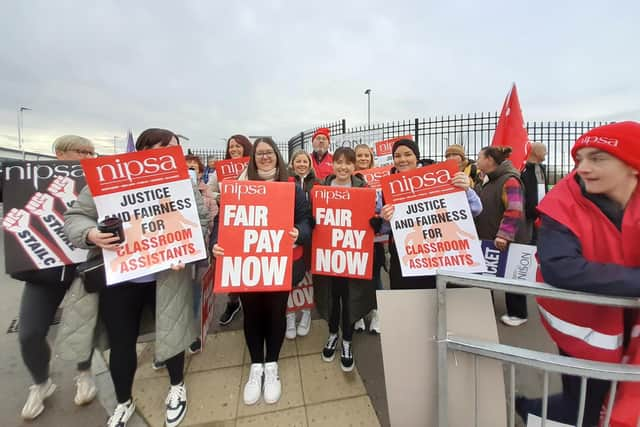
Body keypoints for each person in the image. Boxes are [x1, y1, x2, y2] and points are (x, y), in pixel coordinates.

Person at [63, 128, 210, 427]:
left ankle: (176, 387)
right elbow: (75, 217)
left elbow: (201, 222)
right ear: (145, 149)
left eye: (176, 148)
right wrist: (91, 234)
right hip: (121, 279)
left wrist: (191, 249)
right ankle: (123, 401)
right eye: (166, 147)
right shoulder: (109, 178)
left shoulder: (183, 182)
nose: (174, 153)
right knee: (121, 342)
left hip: (167, 276)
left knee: (172, 334)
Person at [516, 121, 640, 426]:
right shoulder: (562, 201)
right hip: (586, 328)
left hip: (632, 322)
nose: (583, 168)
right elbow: (560, 267)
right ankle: (535, 410)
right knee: (587, 404)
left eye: (597, 159)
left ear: (632, 166)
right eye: (579, 158)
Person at [212, 137, 312, 406]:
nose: (265, 157)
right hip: (246, 265)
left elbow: (306, 221)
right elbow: (221, 221)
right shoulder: (240, 187)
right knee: (253, 314)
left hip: (281, 264)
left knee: (276, 314)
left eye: (269, 152)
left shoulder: (291, 186)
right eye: (260, 154)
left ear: (277, 156)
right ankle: (256, 366)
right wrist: (215, 245)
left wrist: (298, 233)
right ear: (253, 158)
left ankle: (272, 366)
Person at [16, 135, 98, 420]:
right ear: (60, 153)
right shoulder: (28, 181)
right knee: (30, 333)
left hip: (82, 267)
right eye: (82, 152)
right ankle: (41, 382)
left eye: (92, 152)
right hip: (43, 271)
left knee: (81, 325)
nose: (89, 156)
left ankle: (84, 372)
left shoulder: (97, 181)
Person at [380, 139, 483, 289]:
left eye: (408, 154)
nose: (402, 159)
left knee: (440, 303)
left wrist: (466, 190)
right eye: (397, 156)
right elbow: (384, 229)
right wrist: (386, 219)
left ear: (417, 157)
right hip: (407, 258)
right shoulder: (387, 188)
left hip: (441, 254)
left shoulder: (441, 177)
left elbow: (476, 209)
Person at [314, 147, 378, 372]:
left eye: (348, 163)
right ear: (332, 164)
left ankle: (347, 341)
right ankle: (333, 334)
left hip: (353, 256)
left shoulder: (364, 188)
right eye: (338, 162)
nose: (343, 167)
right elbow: (311, 216)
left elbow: (375, 216)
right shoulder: (321, 188)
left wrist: (375, 223)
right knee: (332, 299)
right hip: (328, 257)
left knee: (351, 300)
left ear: (355, 166)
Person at [473, 146, 530, 327]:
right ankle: (485, 306)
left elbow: (514, 209)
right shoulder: (486, 180)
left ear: (489, 160)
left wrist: (504, 235)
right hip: (488, 237)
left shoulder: (509, 180)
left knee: (511, 276)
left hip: (505, 240)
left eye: (479, 157)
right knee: (487, 274)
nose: (476, 161)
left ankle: (518, 314)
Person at [209, 134, 253, 326]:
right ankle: (233, 302)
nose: (234, 149)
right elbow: (208, 190)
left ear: (246, 147)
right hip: (228, 220)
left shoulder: (253, 166)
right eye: (231, 146)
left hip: (251, 219)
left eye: (238, 146)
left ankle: (251, 300)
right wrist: (220, 195)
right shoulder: (220, 170)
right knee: (230, 263)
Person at [184, 155, 218, 354]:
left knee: (196, 292)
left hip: (200, 252)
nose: (190, 171)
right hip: (171, 256)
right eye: (186, 168)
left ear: (199, 172)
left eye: (193, 169)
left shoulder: (208, 196)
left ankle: (190, 333)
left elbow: (212, 224)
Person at [286, 149, 320, 339]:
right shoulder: (285, 182)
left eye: (304, 161)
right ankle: (290, 315)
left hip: (314, 238)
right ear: (292, 164)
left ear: (309, 164)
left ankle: (306, 314)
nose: (301, 164)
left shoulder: (318, 183)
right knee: (290, 279)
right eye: (297, 161)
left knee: (308, 278)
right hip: (293, 239)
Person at [353, 144, 383, 334]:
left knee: (376, 276)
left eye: (367, 155)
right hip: (354, 236)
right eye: (359, 155)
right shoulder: (348, 178)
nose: (363, 158)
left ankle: (377, 313)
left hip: (376, 236)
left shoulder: (381, 177)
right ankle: (356, 315)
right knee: (356, 277)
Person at [520, 142, 548, 243]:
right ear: (536, 152)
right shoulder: (524, 170)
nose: (547, 152)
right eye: (544, 150)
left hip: (540, 215)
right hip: (528, 218)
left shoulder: (540, 169)